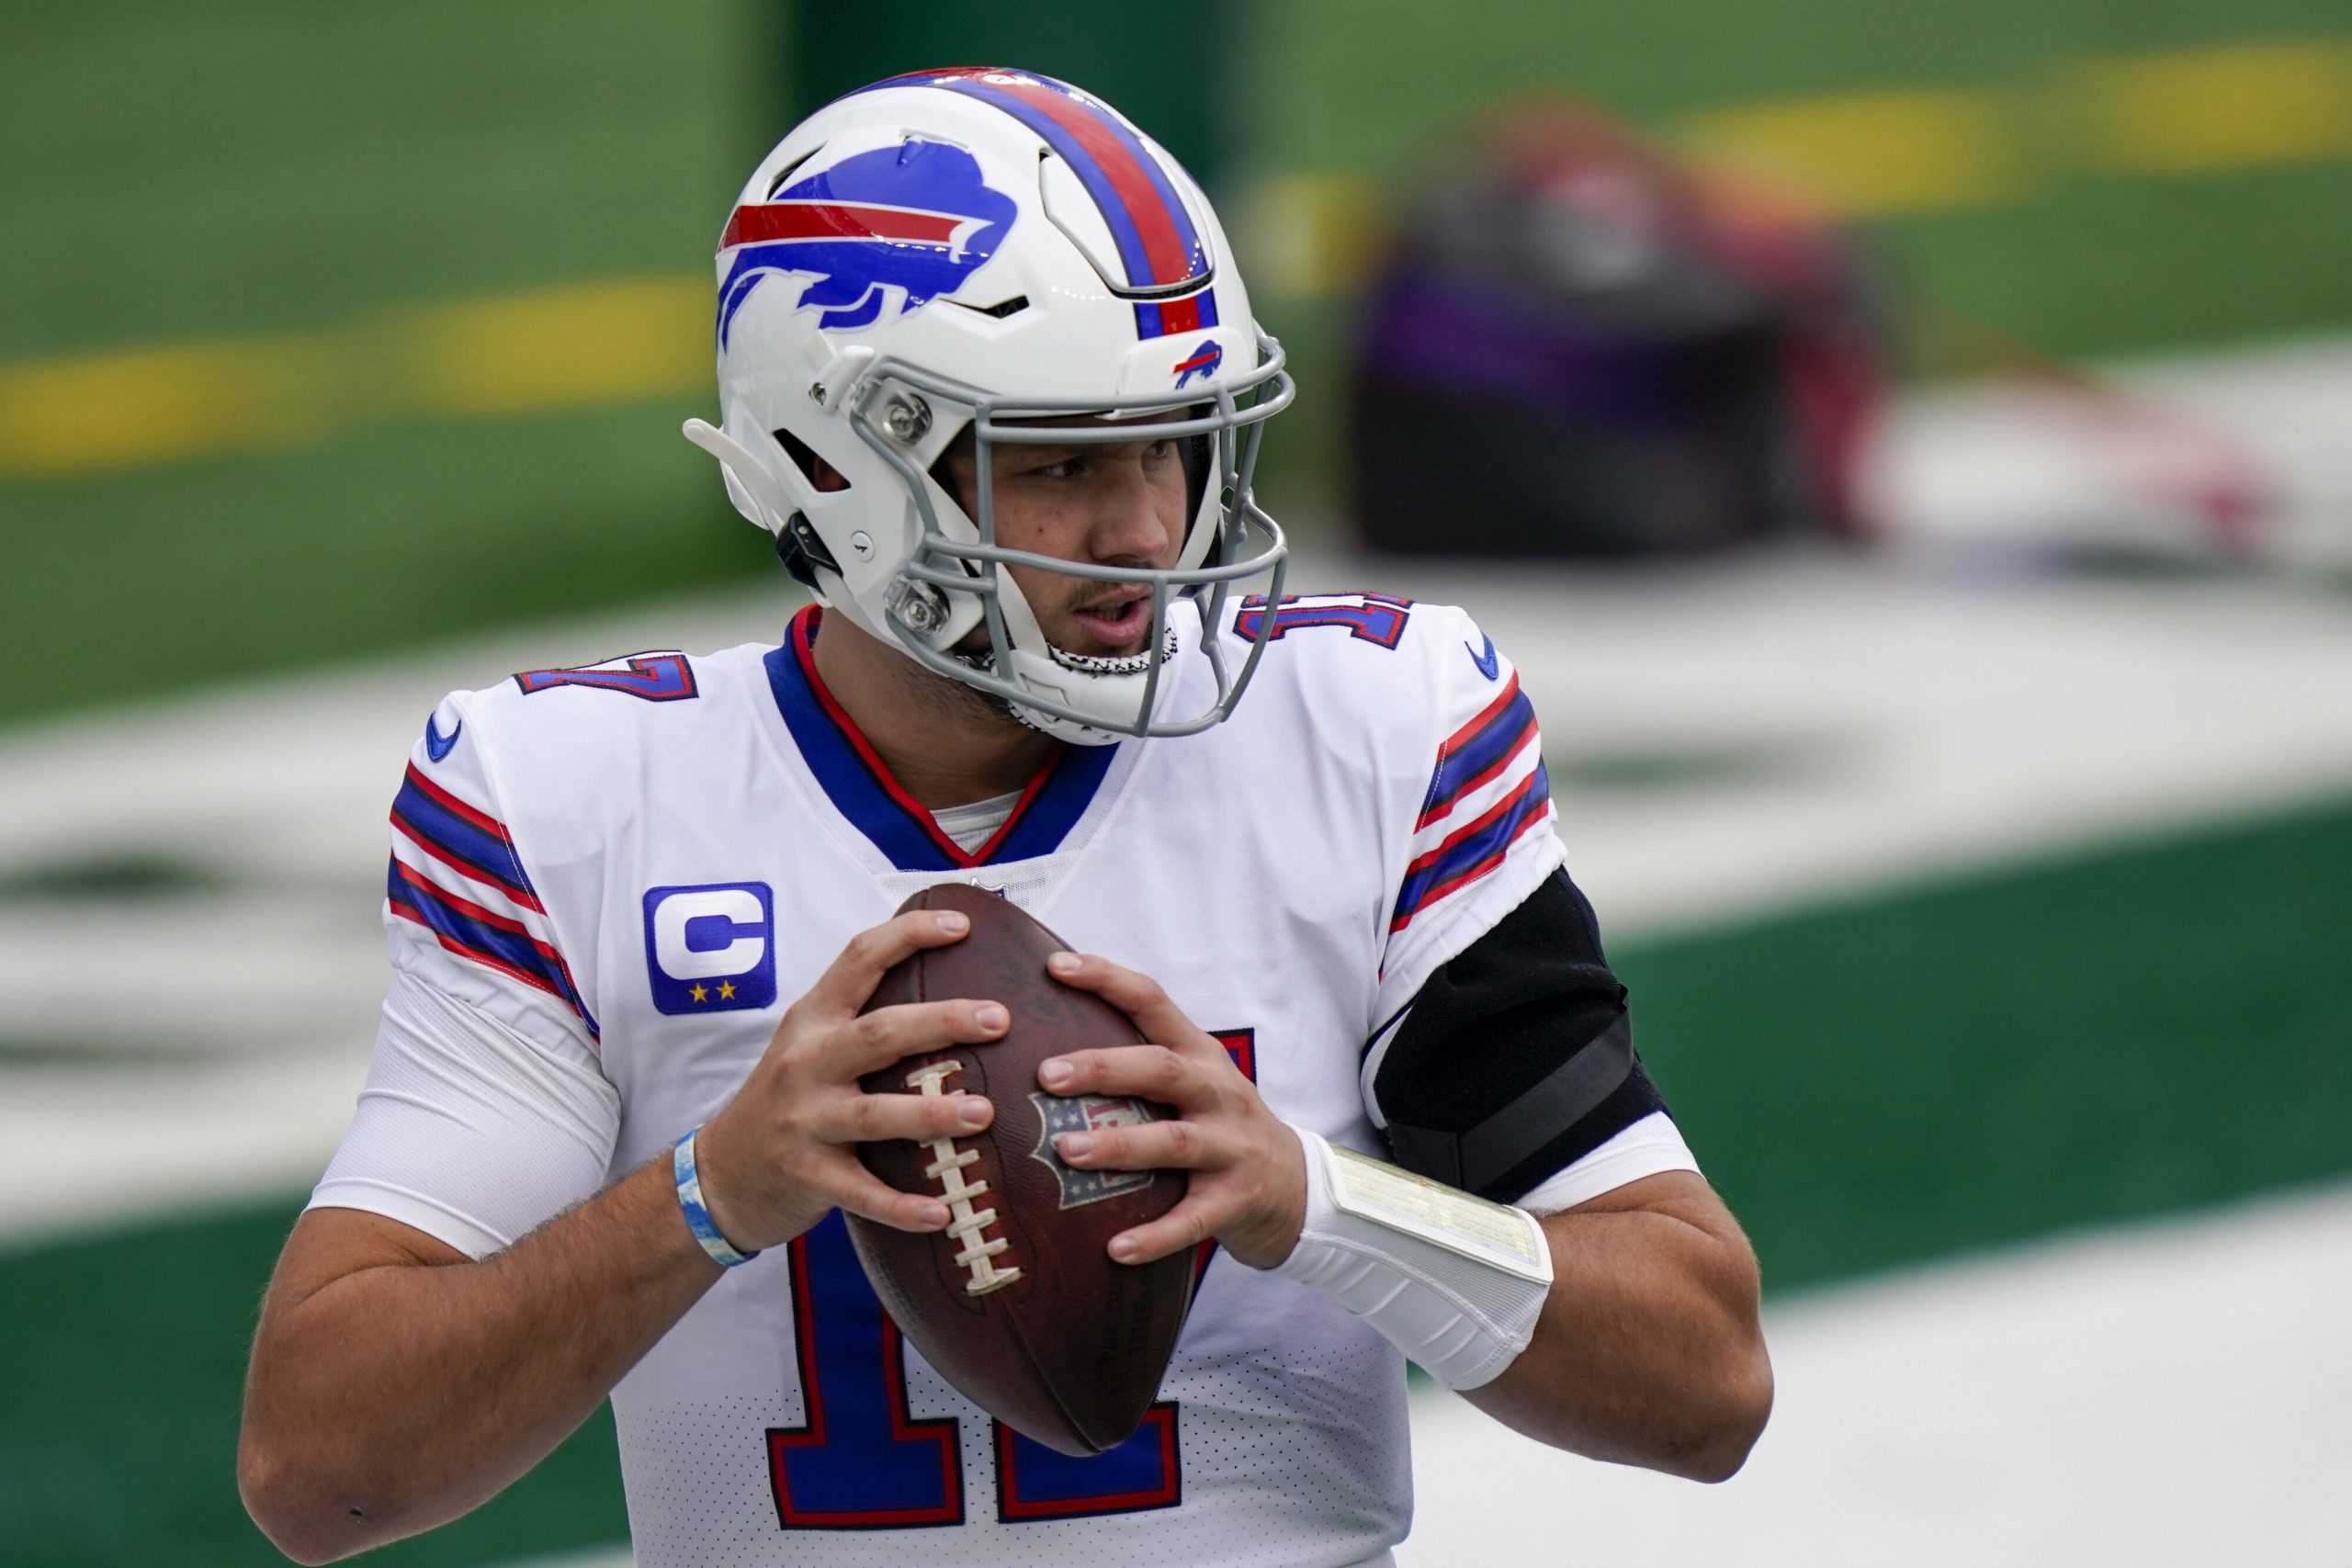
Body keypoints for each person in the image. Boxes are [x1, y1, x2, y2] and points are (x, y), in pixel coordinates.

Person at [238, 66, 1770, 1568]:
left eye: (1176, 444)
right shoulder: (570, 799)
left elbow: (1704, 1384)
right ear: (832, 462)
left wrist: (1313, 1200)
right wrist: (711, 1194)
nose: (1148, 533)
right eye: (1058, 465)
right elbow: (318, 1474)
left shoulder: (1374, 728)